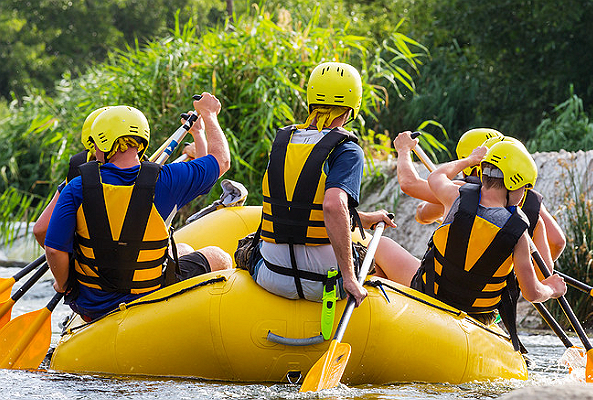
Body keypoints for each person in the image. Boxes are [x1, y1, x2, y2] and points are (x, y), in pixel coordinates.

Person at [44, 94, 232, 320]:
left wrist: (63, 284)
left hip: (92, 306)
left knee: (183, 250)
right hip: (149, 296)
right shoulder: (168, 180)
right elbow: (221, 160)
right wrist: (210, 115)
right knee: (218, 256)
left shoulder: (75, 187)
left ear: (103, 143)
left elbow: (54, 250)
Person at [375, 141, 567, 350]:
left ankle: (388, 315)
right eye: (525, 188)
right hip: (478, 314)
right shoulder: (519, 234)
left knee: (380, 244)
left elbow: (435, 177)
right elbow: (532, 293)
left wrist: (469, 160)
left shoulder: (455, 196)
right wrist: (551, 289)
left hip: (431, 294)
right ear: (514, 184)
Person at [249, 61, 394, 307]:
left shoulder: (283, 142)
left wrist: (364, 218)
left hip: (270, 275)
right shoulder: (347, 150)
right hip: (325, 283)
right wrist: (349, 278)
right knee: (376, 262)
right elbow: (332, 206)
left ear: (311, 100)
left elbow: (302, 207)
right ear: (351, 108)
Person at [395, 129, 566, 264]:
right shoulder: (525, 196)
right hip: (496, 290)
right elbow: (557, 242)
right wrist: (520, 266)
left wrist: (403, 150)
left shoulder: (463, 192)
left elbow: (418, 203)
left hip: (454, 286)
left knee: (385, 247)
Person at [33, 106, 111, 247]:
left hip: (88, 263)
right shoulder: (147, 173)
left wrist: (66, 258)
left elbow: (41, 230)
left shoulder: (79, 171)